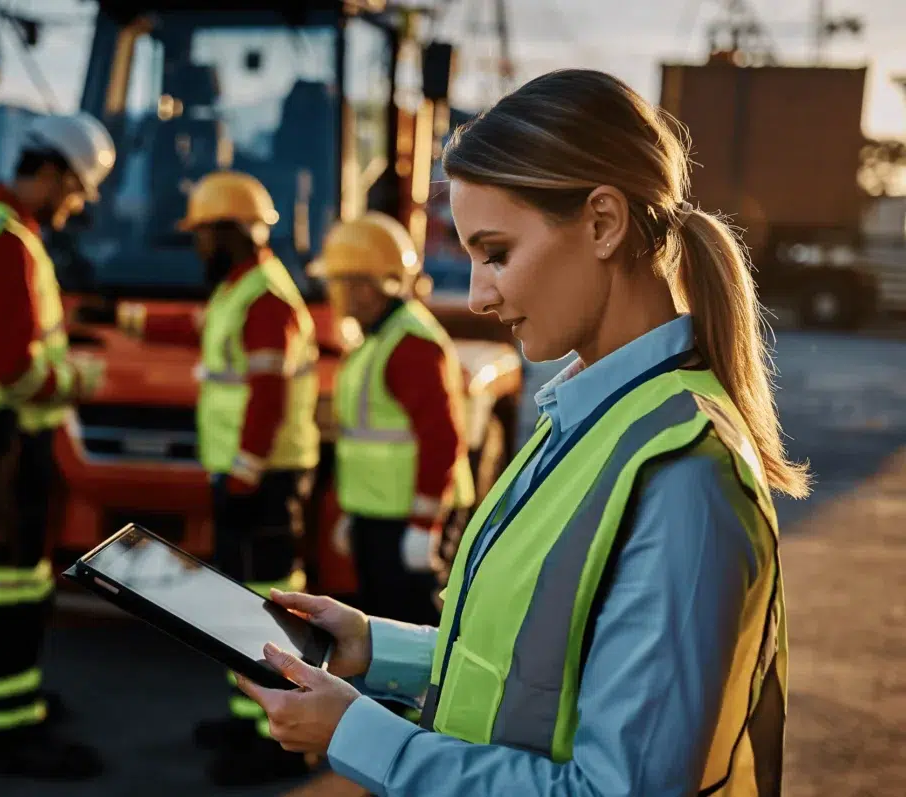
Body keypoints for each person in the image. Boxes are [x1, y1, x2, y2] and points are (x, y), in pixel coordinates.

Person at [232, 68, 809, 797]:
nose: (478, 295)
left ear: (603, 223)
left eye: (497, 253)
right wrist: (374, 647)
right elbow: (531, 666)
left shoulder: (684, 475)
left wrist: (359, 734)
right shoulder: (592, 417)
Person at [115, 170, 320, 786]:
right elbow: (196, 329)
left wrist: (244, 474)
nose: (199, 246)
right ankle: (249, 717)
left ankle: (276, 741)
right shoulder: (241, 290)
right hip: (244, 476)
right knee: (242, 606)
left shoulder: (264, 299)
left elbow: (268, 394)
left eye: (205, 234)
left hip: (262, 479)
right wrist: (124, 318)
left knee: (267, 610)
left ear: (232, 232)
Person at [0, 112, 115, 780]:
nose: (76, 204)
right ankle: (13, 731)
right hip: (7, 444)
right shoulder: (6, 242)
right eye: (75, 189)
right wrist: (79, 380)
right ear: (50, 172)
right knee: (11, 592)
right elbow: (17, 369)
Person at [307, 212, 475, 630]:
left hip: (409, 518)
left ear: (367, 286)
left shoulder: (410, 345)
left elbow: (442, 440)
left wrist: (424, 525)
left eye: (338, 281)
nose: (331, 293)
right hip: (381, 515)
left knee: (413, 628)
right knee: (382, 625)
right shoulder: (377, 339)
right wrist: (354, 513)